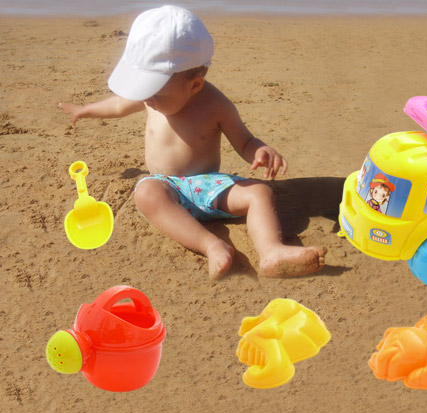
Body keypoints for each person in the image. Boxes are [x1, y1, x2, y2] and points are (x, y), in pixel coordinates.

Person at [59, 5, 326, 279]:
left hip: (209, 186)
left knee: (260, 192)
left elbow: (244, 141)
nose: (146, 98)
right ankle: (211, 245)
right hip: (167, 186)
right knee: (146, 193)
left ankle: (272, 251)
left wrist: (260, 151)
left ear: (195, 85)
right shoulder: (151, 97)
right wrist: (86, 109)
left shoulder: (216, 106)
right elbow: (117, 105)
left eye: (154, 92)